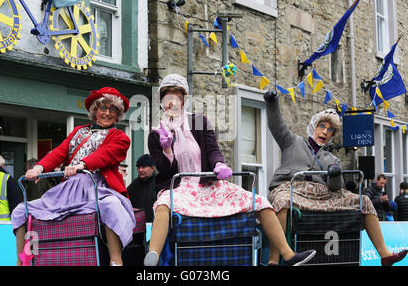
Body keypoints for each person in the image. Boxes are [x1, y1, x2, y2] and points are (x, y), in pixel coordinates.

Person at [143, 74, 316, 266]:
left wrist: (218, 164)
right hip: (179, 187)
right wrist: (167, 150)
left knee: (260, 201)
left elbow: (212, 150)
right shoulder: (156, 133)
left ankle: (288, 255)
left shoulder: (199, 121)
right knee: (163, 204)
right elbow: (165, 171)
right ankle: (153, 257)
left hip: (206, 184)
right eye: (168, 98)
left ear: (184, 100)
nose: (173, 102)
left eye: (178, 97)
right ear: (162, 102)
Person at [264, 89, 408, 266]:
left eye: (330, 129)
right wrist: (272, 102)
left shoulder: (332, 158)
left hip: (321, 195)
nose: (325, 132)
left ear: (332, 135)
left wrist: (335, 174)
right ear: (314, 127)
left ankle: (384, 254)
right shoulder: (293, 142)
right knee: (281, 200)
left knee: (364, 201)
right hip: (292, 189)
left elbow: (335, 188)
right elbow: (277, 125)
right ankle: (273, 260)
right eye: (322, 126)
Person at [10, 87, 136, 266]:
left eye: (113, 109)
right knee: (21, 210)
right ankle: (21, 261)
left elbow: (106, 154)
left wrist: (82, 165)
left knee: (111, 205)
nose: (107, 113)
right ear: (95, 110)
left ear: (118, 114)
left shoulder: (120, 136)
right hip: (67, 190)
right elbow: (60, 152)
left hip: (96, 186)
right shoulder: (78, 131)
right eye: (103, 108)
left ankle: (116, 260)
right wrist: (39, 167)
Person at [127, 154, 158, 222]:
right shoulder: (134, 185)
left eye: (144, 167)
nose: (140, 170)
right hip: (137, 224)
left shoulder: (159, 183)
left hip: (155, 223)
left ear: (152, 167)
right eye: (138, 167)